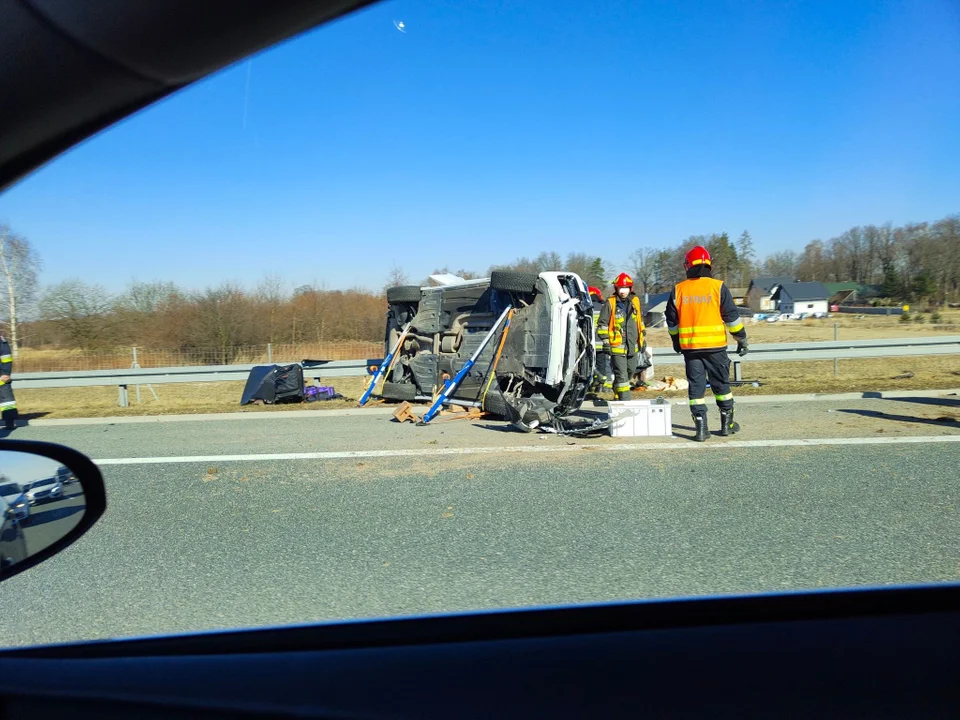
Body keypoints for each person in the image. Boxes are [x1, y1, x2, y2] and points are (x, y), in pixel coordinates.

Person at [665, 246, 748, 442]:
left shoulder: (679, 289)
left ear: (687, 266)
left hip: (691, 349)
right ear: (709, 264)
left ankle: (701, 429)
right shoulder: (718, 287)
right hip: (716, 348)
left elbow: (672, 321)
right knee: (721, 385)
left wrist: (676, 342)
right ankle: (727, 424)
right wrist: (741, 338)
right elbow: (731, 318)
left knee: (696, 389)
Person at [598, 273, 645, 401]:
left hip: (632, 346)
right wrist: (606, 341)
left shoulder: (635, 301)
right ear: (616, 289)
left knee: (630, 371)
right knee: (622, 376)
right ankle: (625, 402)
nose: (623, 291)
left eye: (625, 288)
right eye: (620, 288)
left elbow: (639, 321)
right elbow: (602, 324)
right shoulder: (610, 303)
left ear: (630, 288)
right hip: (617, 347)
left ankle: (616, 388)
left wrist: (642, 339)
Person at [588, 286, 613, 393]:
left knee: (589, 366)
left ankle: (592, 385)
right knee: (604, 365)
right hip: (603, 343)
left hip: (589, 344)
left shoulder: (586, 308)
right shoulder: (604, 307)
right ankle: (605, 387)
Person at [0, 334, 17, 430]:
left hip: (1, 378)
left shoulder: (1, 341)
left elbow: (6, 358)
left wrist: (5, 373)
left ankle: (9, 422)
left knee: (7, 401)